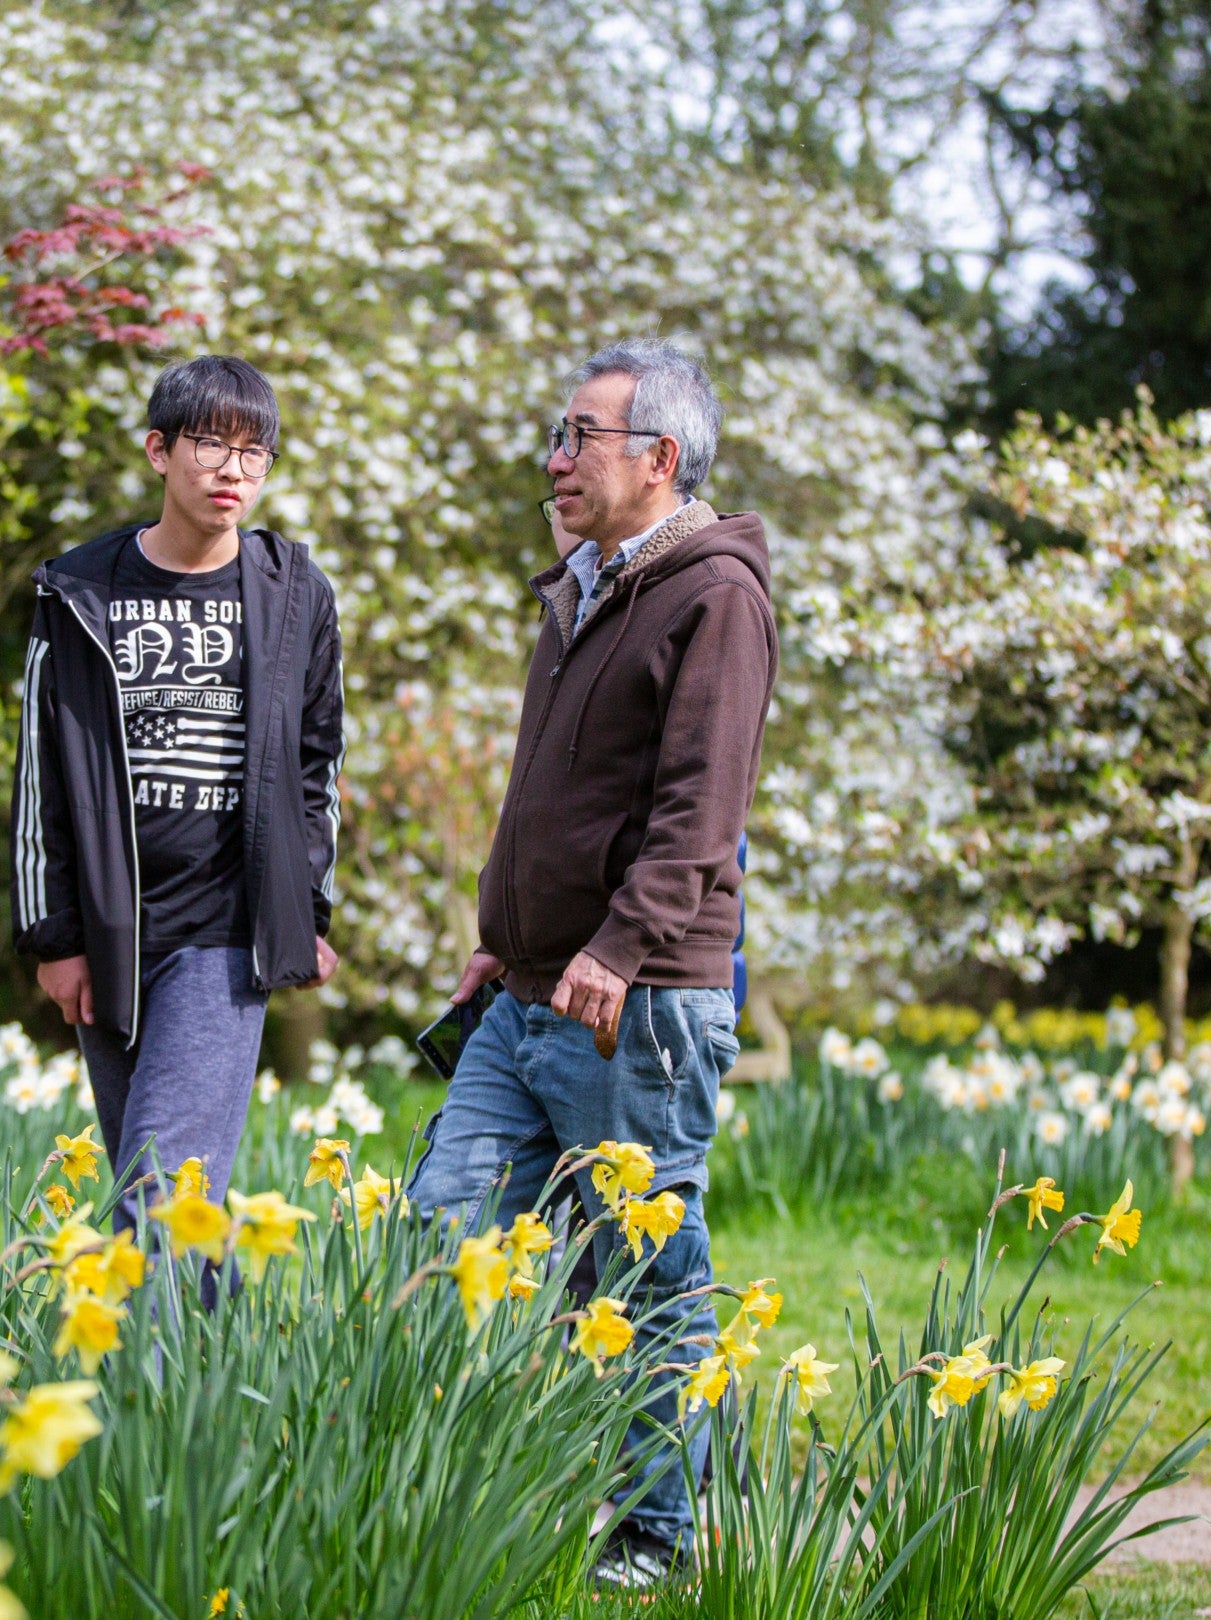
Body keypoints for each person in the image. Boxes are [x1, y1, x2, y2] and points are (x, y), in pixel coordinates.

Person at [406, 338, 776, 1584]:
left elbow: (700, 814)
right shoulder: (582, 587)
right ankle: (450, 1492)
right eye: (556, 435)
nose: (556, 459)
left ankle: (658, 1533)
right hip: (529, 991)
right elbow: (553, 800)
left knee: (645, 1272)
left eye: (581, 437)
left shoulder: (713, 596)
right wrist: (500, 943)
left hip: (637, 1003)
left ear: (659, 458)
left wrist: (617, 949)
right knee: (438, 1235)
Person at [10, 355, 346, 1229]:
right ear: (159, 451)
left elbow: (317, 766)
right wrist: (54, 936)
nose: (234, 470)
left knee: (159, 1193)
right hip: (110, 930)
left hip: (222, 933)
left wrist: (305, 908)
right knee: (158, 1190)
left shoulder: (293, 594)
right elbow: (41, 770)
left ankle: (135, 1328)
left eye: (255, 452)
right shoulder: (78, 590)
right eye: (211, 445)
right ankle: (199, 1324)